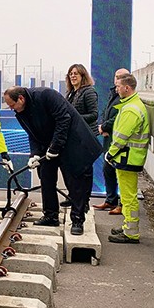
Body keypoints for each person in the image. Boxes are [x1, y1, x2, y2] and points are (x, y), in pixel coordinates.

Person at [3, 86, 102, 235]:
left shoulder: (47, 96)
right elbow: (32, 132)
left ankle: (77, 219)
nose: (12, 109)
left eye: (12, 105)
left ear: (21, 99)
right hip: (47, 145)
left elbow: (64, 119)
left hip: (71, 142)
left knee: (75, 182)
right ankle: (50, 215)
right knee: (46, 177)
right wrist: (34, 154)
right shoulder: (20, 111)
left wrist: (55, 147)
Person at [106, 73, 149, 243]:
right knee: (126, 195)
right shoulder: (133, 104)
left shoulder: (131, 109)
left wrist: (111, 153)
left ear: (127, 87)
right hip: (130, 157)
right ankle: (127, 226)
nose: (116, 89)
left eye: (118, 86)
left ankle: (131, 233)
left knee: (128, 197)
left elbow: (121, 137)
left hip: (127, 158)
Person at [60, 63, 99, 209]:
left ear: (83, 76)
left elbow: (94, 115)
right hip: (74, 137)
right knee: (72, 170)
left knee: (85, 171)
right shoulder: (71, 93)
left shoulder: (88, 92)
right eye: (71, 74)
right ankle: (73, 196)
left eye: (76, 73)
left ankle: (85, 200)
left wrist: (74, 118)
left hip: (86, 137)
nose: (73, 76)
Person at [92, 68, 130, 215]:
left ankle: (121, 204)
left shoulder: (125, 97)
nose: (118, 79)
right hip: (109, 139)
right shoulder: (113, 93)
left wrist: (105, 126)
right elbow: (106, 112)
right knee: (107, 170)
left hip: (119, 140)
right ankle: (110, 200)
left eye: (121, 77)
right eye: (116, 76)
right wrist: (102, 125)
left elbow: (119, 116)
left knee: (120, 173)